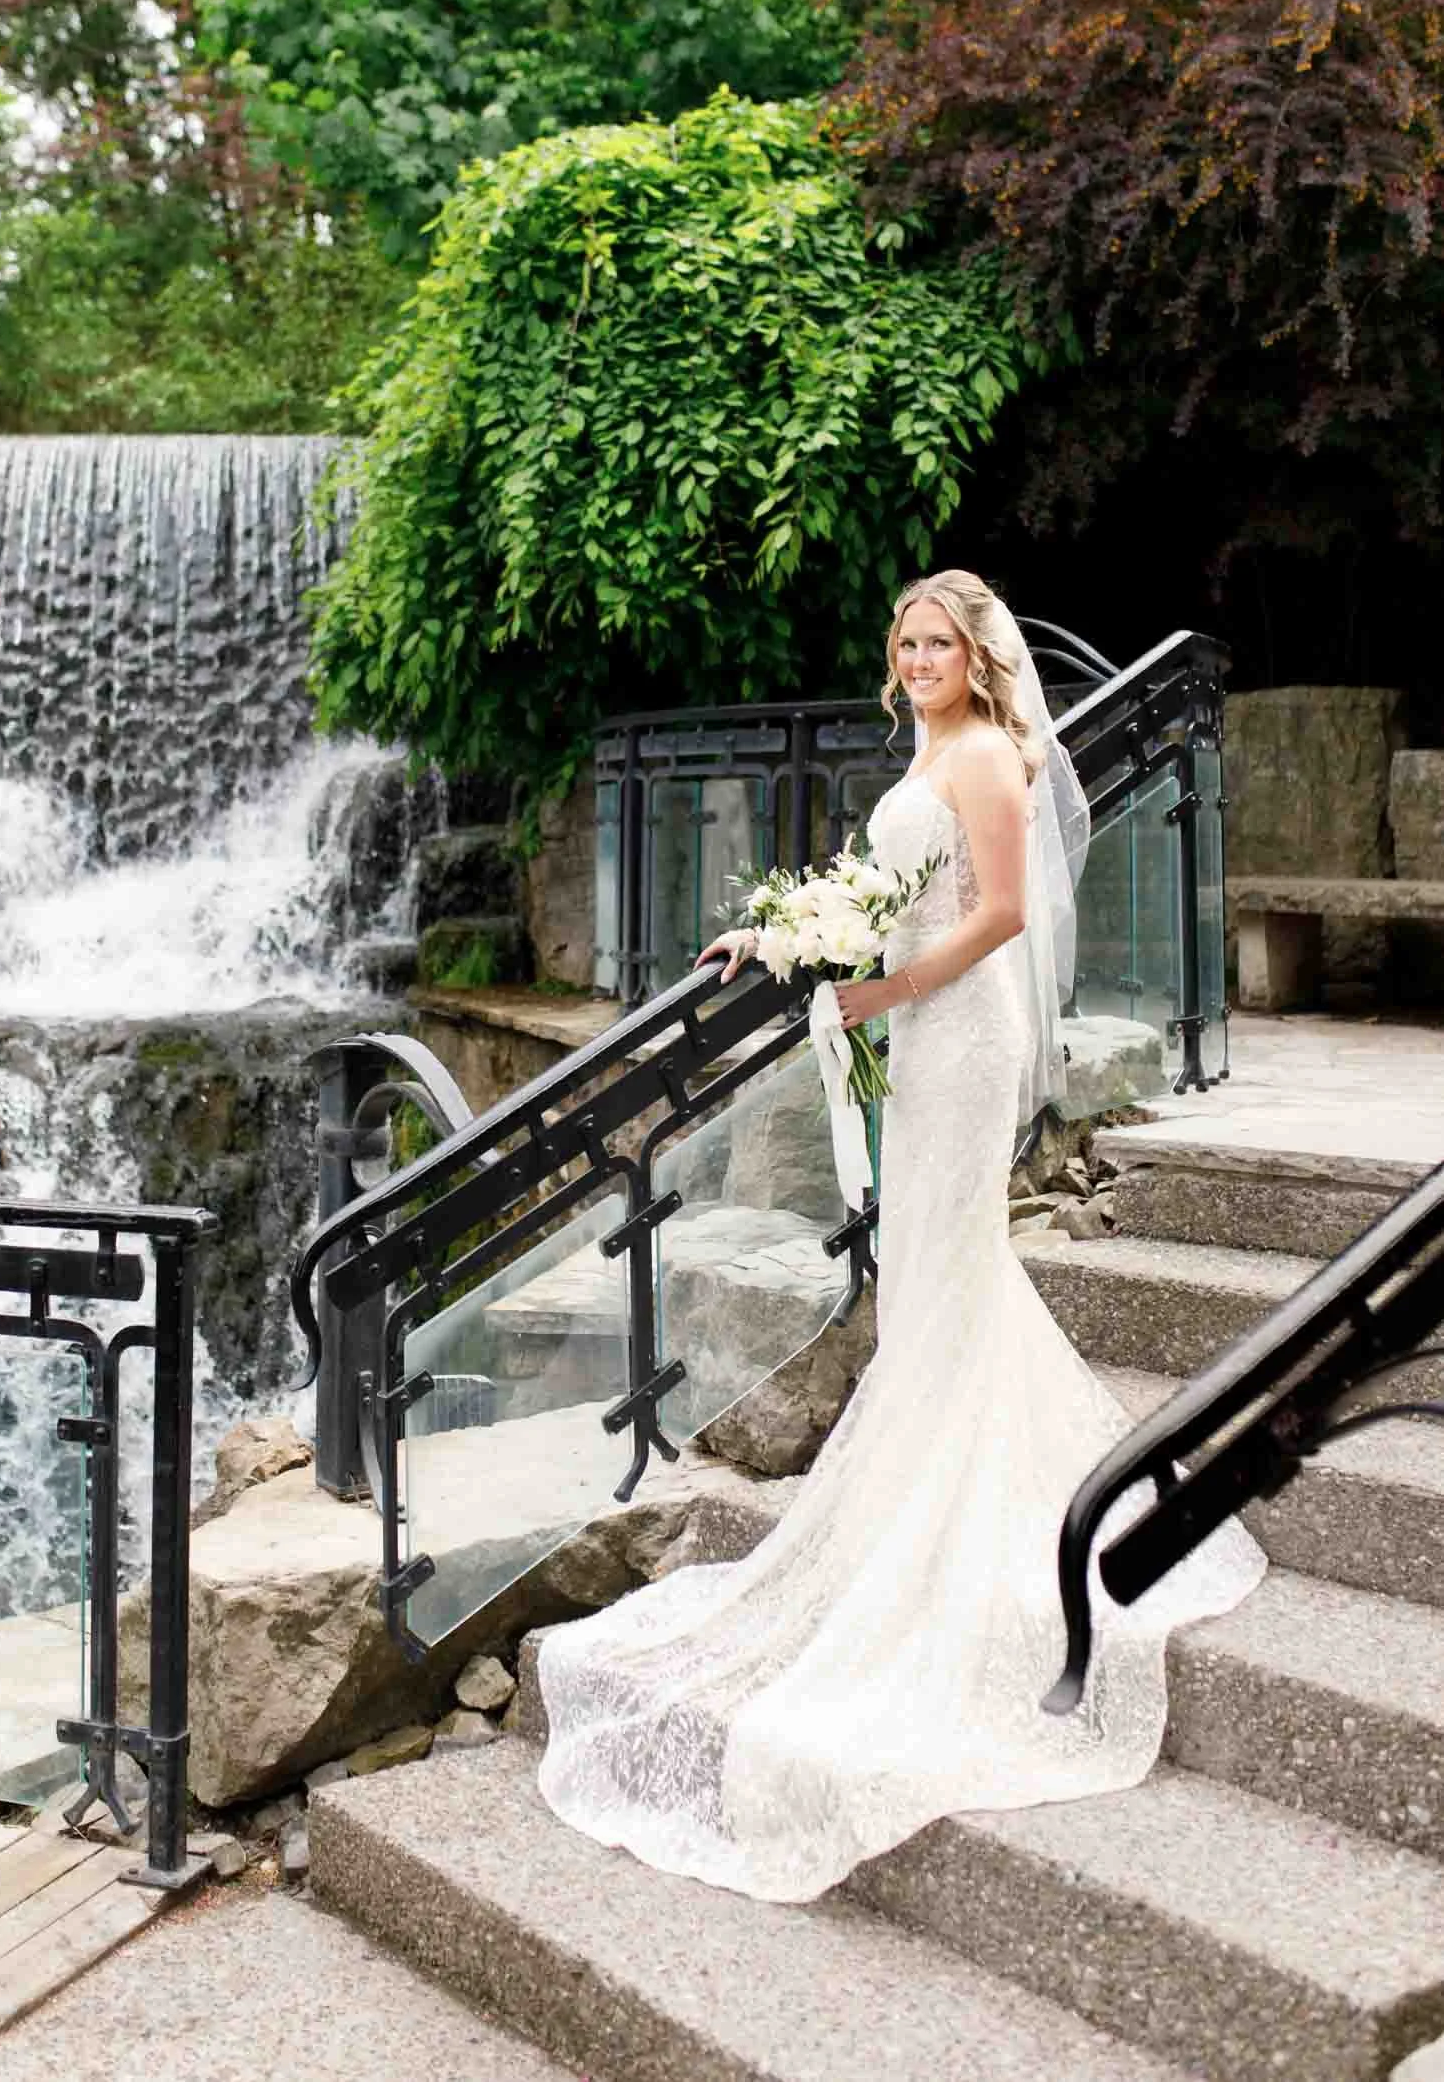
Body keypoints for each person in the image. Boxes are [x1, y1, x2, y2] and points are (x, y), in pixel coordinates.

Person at [535, 569, 1264, 1902]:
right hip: (914, 1024)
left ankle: (967, 1516)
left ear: (976, 655)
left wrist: (880, 988)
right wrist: (777, 940)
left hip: (961, 1033)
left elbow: (995, 915)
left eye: (939, 641)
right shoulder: (927, 745)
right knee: (935, 1273)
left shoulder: (987, 749)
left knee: (949, 1260)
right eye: (907, 643)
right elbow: (874, 890)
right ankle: (941, 1486)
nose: (921, 658)